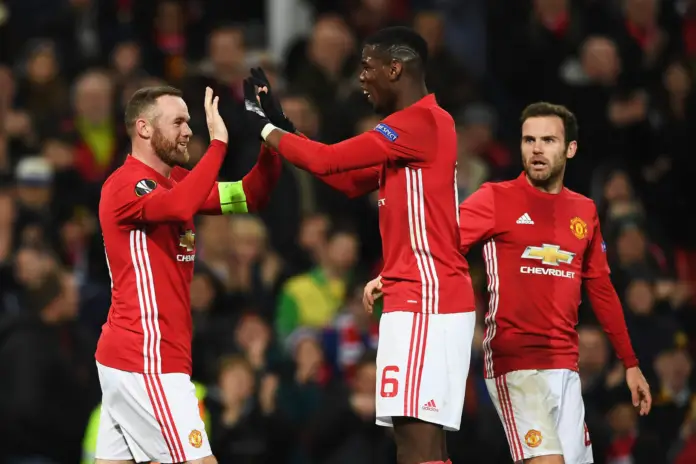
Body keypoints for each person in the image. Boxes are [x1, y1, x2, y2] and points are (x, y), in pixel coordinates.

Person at [368, 102, 653, 464]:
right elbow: (437, 244)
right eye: (528, 139)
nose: (536, 148)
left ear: (571, 149)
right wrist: (391, 272)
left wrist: (630, 363)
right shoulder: (495, 199)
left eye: (548, 140)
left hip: (566, 366)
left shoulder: (584, 212)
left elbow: (600, 288)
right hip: (514, 361)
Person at [243, 27, 476, 464]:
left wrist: (266, 128)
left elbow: (328, 160)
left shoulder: (418, 122)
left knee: (417, 441)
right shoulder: (422, 127)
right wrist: (287, 126)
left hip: (428, 298)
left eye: (368, 67)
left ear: (395, 68)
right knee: (418, 442)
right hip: (420, 293)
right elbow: (346, 180)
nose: (361, 78)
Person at [95, 85, 281, 464]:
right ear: (144, 129)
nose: (188, 131)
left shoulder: (177, 182)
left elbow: (250, 195)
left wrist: (270, 140)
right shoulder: (125, 185)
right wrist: (218, 145)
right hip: (147, 358)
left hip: (140, 357)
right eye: (178, 121)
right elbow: (180, 207)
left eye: (189, 123)